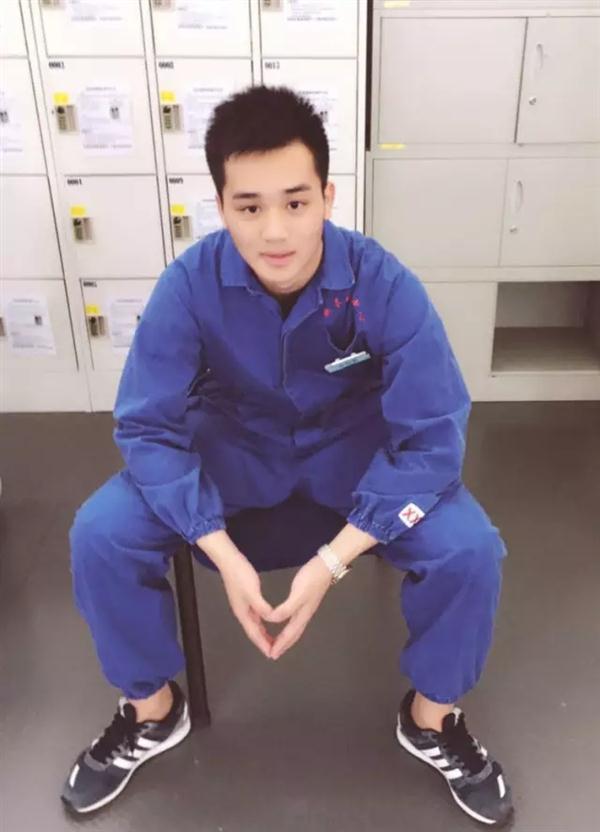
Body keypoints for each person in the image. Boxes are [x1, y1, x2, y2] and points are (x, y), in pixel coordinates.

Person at [61, 85, 514, 826]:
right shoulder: (189, 287)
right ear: (220, 206)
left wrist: (334, 560)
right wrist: (217, 547)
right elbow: (147, 427)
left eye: (296, 202)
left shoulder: (382, 284)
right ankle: (152, 708)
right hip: (231, 462)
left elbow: (432, 435)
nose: (275, 231)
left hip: (356, 469)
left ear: (327, 197)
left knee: (470, 549)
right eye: (249, 207)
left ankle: (432, 718)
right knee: (101, 533)